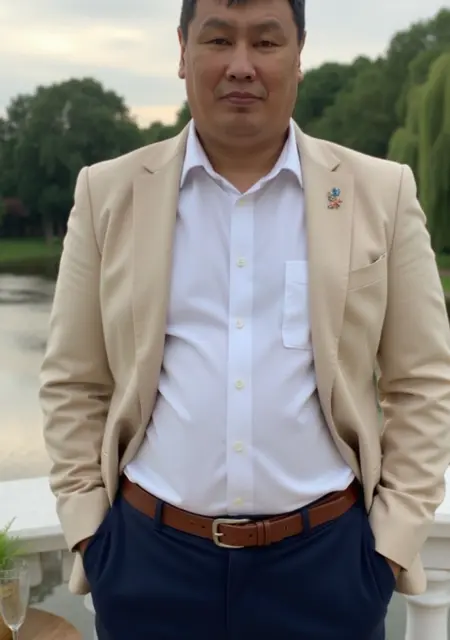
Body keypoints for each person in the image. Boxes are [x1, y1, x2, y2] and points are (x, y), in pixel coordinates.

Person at [39, 0, 450, 638]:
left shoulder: (380, 193)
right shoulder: (107, 193)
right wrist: (92, 535)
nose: (241, 65)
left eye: (265, 41)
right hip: (149, 565)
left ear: (298, 54)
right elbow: (73, 380)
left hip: (328, 569)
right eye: (218, 40)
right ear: (182, 52)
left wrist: (389, 547)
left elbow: (421, 380)